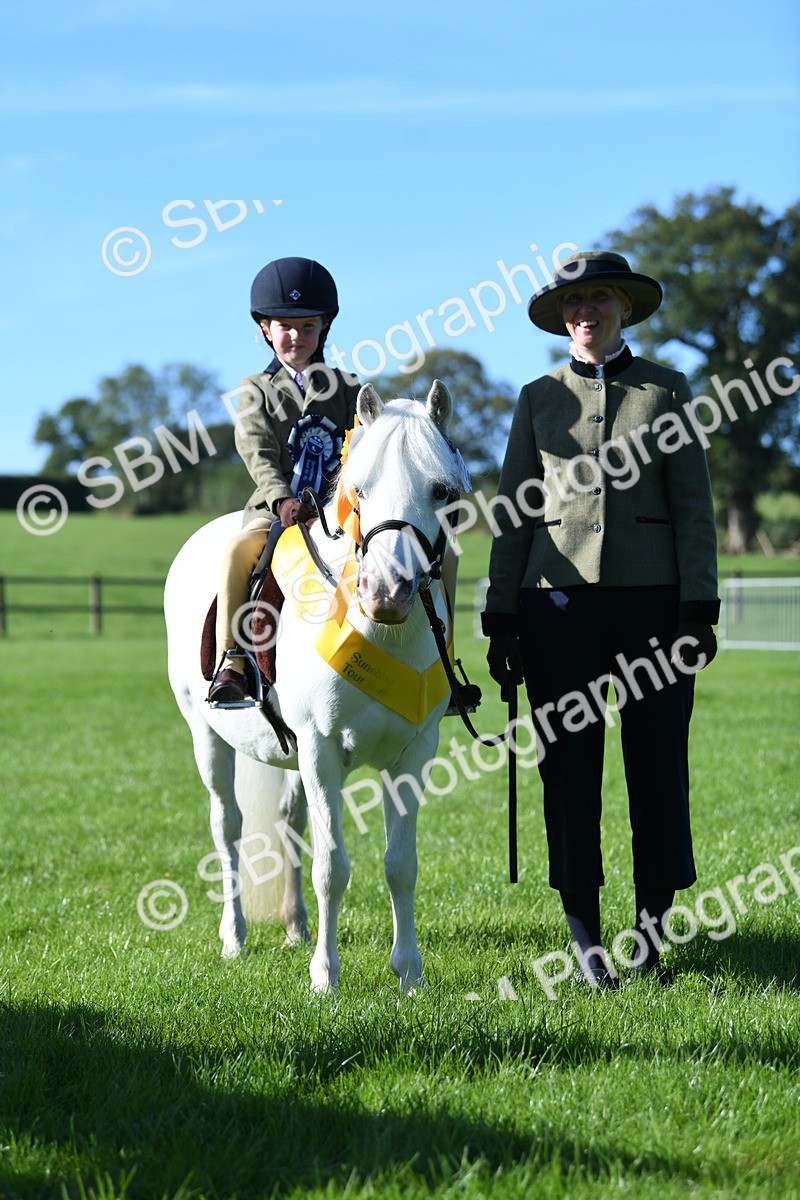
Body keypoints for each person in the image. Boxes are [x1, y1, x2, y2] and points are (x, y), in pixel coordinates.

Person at [481, 250, 719, 987]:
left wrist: (698, 609)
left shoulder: (667, 391)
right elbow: (513, 514)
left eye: (600, 302)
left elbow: (693, 508)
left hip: (653, 605)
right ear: (562, 318)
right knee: (569, 774)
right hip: (557, 607)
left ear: (623, 309)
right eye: (574, 306)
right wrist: (501, 615)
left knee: (657, 770)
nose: (586, 315)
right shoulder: (536, 398)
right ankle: (586, 940)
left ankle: (650, 936)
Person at [208, 256, 360, 705]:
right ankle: (232, 661)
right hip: (277, 510)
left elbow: (364, 447)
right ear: (266, 331)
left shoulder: (347, 386)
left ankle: (438, 666)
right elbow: (256, 450)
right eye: (285, 326)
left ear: (323, 330)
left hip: (335, 512)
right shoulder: (254, 387)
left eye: (307, 326)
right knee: (237, 551)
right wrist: (280, 499)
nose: (296, 337)